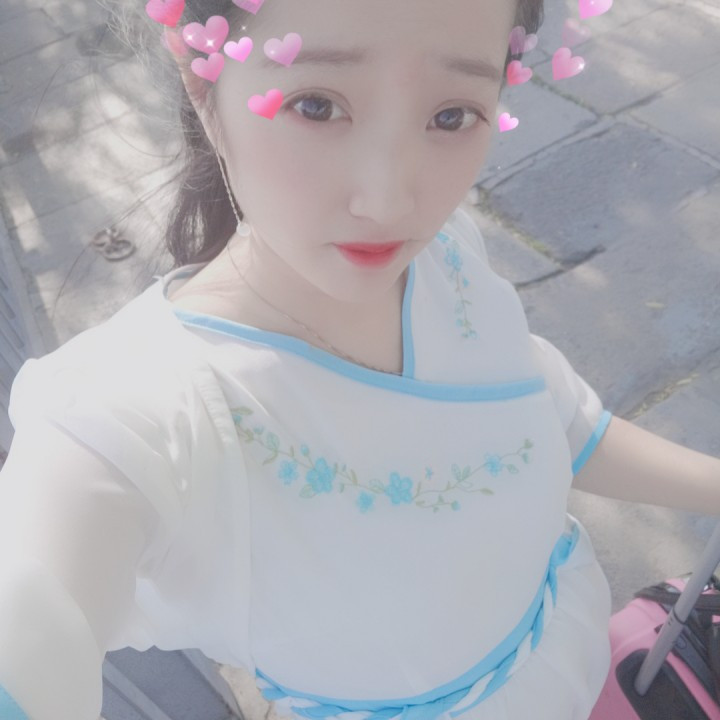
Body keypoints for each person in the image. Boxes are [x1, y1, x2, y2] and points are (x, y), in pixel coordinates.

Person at [1, 0, 719, 719]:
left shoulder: (446, 257)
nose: (388, 201)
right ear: (199, 74)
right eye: (316, 105)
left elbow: (554, 422)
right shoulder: (142, 409)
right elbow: (41, 591)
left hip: (576, 652)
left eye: (451, 115)